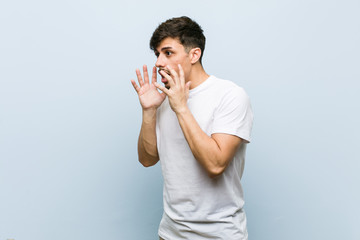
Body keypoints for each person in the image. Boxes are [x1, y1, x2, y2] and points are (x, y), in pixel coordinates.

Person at [131, 16, 254, 240]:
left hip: (220, 235)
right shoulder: (165, 99)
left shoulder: (230, 95)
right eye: (157, 54)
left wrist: (181, 108)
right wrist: (149, 111)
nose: (158, 62)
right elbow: (147, 159)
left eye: (168, 53)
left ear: (194, 55)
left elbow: (215, 165)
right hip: (170, 234)